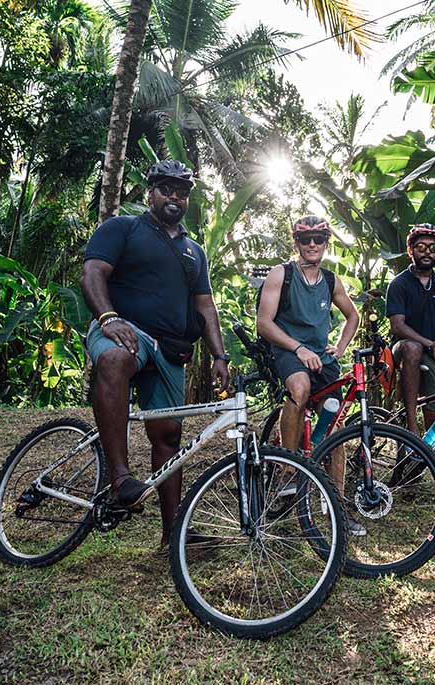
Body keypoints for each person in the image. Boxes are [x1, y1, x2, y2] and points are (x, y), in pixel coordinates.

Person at [80, 159, 229, 555]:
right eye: (166, 189)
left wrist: (220, 355)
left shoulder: (194, 251)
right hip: (123, 328)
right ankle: (120, 479)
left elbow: (205, 305)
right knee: (115, 361)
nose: (174, 198)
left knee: (169, 435)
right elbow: (92, 273)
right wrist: (108, 317)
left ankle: (173, 535)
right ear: (151, 192)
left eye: (181, 192)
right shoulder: (122, 228)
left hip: (169, 348)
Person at [256, 215, 364, 535]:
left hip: (322, 358)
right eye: (306, 239)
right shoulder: (282, 274)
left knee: (335, 426)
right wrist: (299, 348)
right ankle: (288, 473)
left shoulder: (331, 280)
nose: (313, 244)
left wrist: (340, 349)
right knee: (299, 389)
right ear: (297, 243)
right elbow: (264, 323)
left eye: (319, 238)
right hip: (288, 352)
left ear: (326, 242)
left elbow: (352, 316)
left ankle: (338, 506)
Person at [385, 224, 435, 470]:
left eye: (432, 248)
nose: (427, 252)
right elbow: (398, 326)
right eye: (420, 247)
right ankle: (412, 431)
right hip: (403, 350)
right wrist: (432, 345)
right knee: (412, 347)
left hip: (434, 357)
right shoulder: (399, 284)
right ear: (411, 251)